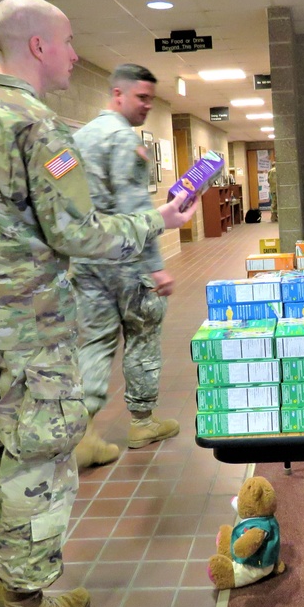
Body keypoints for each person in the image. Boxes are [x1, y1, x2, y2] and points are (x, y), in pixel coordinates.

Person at [0, 0, 198, 607]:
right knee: (36, 458)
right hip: (33, 325)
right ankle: (30, 606)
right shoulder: (38, 126)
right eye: (67, 42)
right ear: (38, 46)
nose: (75, 54)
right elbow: (77, 233)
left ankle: (5, 583)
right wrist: (157, 221)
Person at [70, 64, 179, 467]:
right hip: (127, 261)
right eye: (142, 98)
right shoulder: (125, 142)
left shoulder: (76, 138)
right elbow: (134, 206)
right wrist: (156, 265)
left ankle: (83, 432)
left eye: (151, 98)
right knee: (143, 336)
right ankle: (142, 422)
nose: (148, 106)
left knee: (94, 342)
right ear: (118, 94)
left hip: (86, 259)